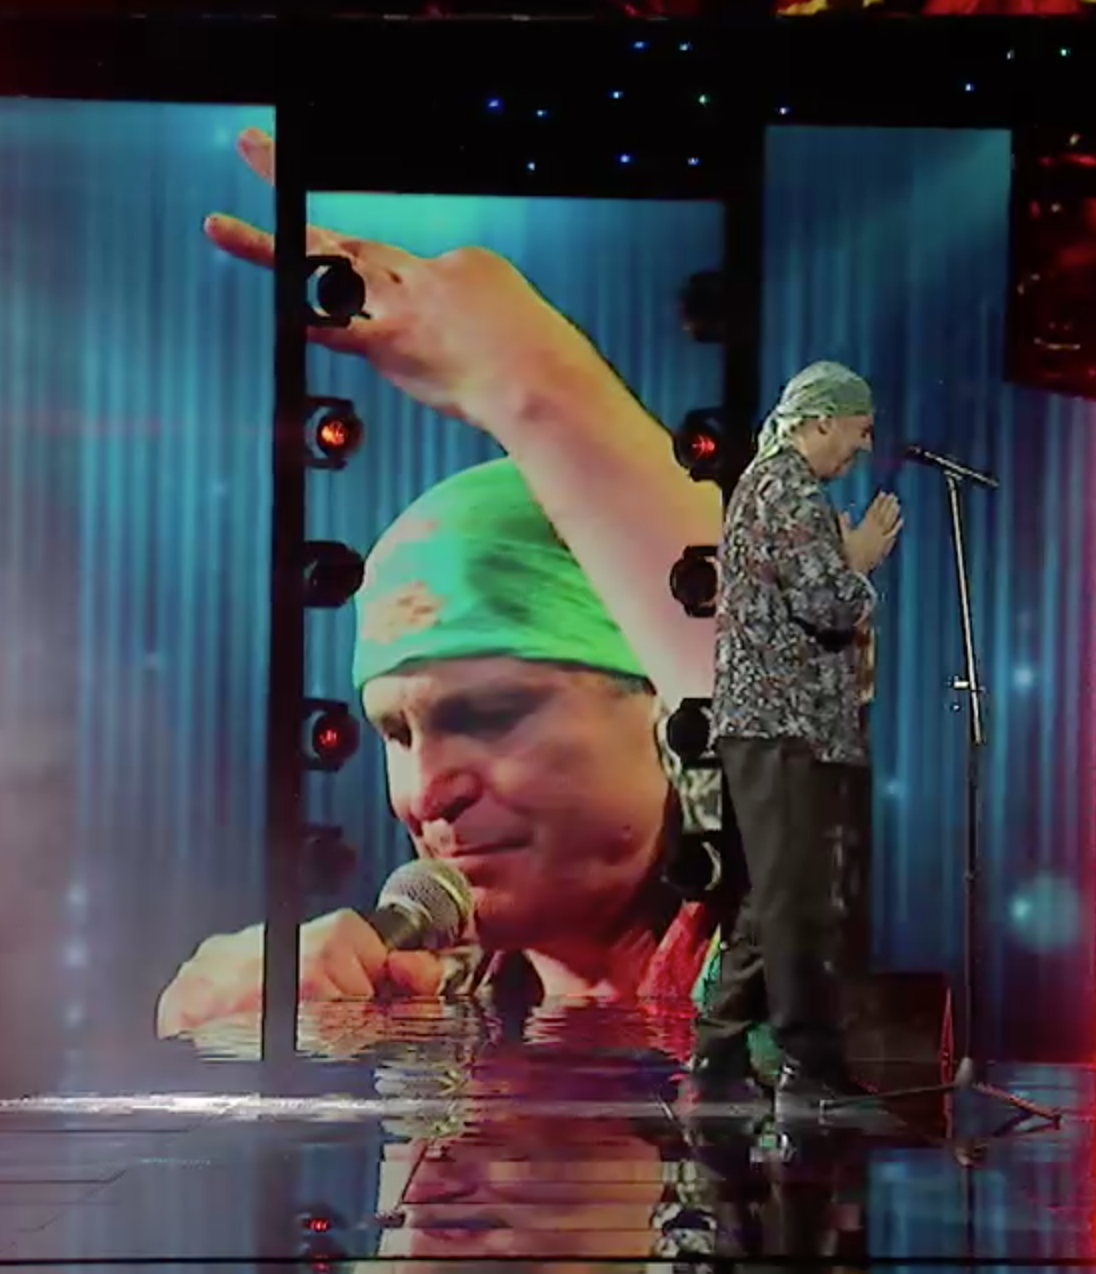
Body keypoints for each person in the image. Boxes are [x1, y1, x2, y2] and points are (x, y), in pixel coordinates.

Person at [155, 127, 727, 1040]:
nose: (427, 792)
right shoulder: (412, 1010)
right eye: (397, 731)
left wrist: (534, 385)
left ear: (670, 713)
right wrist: (230, 1041)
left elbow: (765, 673)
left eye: (492, 713)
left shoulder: (784, 979)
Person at [689, 361, 902, 1121]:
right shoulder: (788, 489)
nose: (863, 445)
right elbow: (827, 604)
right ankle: (809, 1063)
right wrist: (860, 560)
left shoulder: (774, 486)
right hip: (781, 725)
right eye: (859, 429)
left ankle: (717, 1050)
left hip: (778, 726)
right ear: (821, 421)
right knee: (794, 900)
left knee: (775, 893)